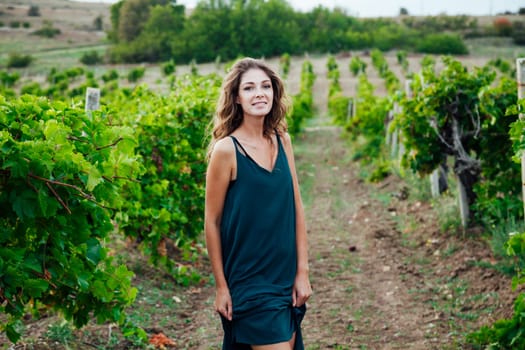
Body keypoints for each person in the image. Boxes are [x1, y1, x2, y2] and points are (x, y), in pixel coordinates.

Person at [204, 57, 312, 350]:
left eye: (266, 86)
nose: (259, 93)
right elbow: (211, 222)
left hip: (284, 275)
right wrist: (221, 287)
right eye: (249, 88)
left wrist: (302, 272)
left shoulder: (282, 139)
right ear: (237, 98)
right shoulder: (227, 150)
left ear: (275, 93)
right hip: (249, 279)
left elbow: (296, 208)